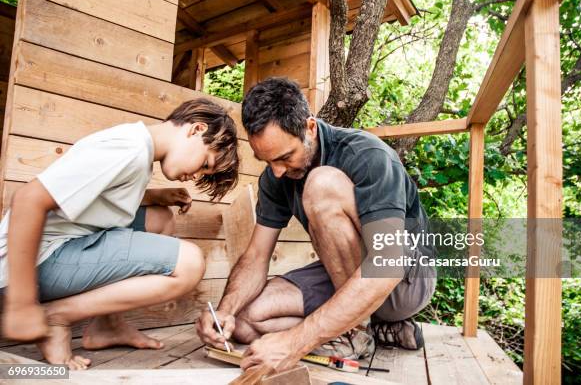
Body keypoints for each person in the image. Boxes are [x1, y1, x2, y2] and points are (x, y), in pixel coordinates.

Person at [196, 77, 436, 372]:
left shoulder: (367, 155)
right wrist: (225, 311)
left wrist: (295, 342)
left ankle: (357, 332)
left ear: (310, 128)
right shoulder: (276, 175)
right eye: (266, 160)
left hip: (406, 280)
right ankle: (376, 329)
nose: (278, 171)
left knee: (321, 183)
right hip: (349, 273)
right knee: (246, 319)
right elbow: (256, 256)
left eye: (285, 157)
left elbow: (387, 264)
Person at [0, 98, 239, 370]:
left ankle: (108, 325)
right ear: (196, 129)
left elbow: (94, 203)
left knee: (160, 218)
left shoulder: (139, 151)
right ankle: (56, 317)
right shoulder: (128, 148)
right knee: (190, 263)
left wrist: (152, 196)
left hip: (53, 254)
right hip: (22, 271)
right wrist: (22, 304)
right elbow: (28, 200)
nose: (197, 175)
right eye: (205, 163)